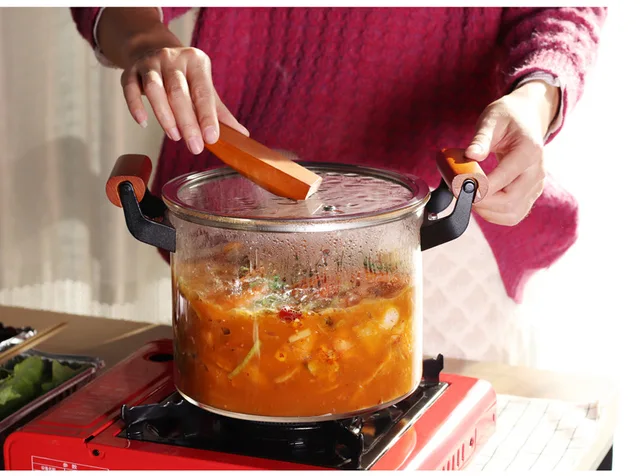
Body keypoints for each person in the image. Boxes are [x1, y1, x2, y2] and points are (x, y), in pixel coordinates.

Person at [71, 6, 606, 365]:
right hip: (245, 210)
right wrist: (145, 38)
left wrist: (536, 98)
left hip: (444, 229)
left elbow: (560, 13)